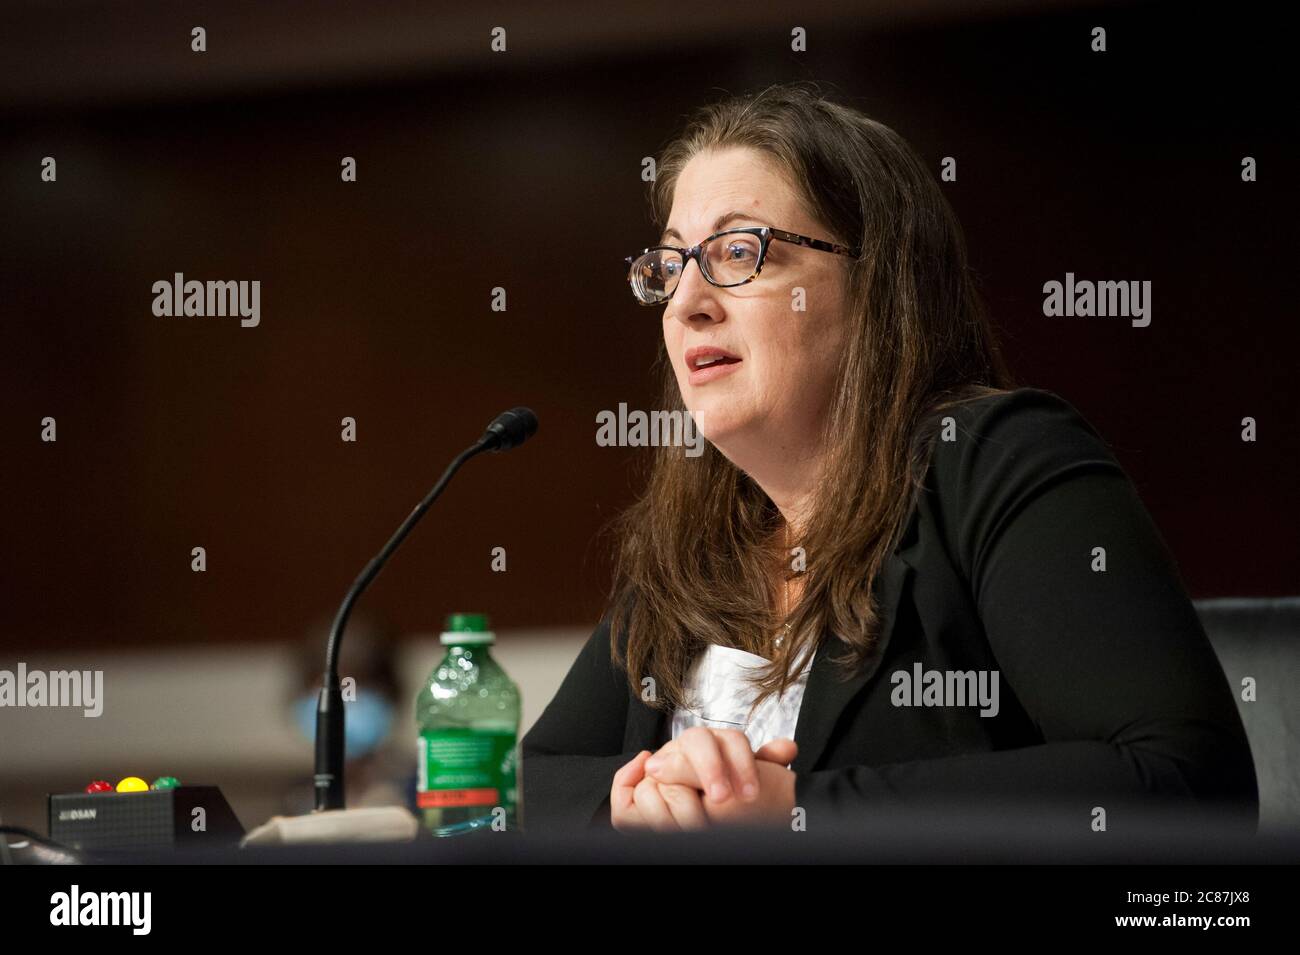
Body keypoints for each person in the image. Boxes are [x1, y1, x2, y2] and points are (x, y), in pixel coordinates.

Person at [520, 82, 1257, 835]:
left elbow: (1184, 778)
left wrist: (797, 812)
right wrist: (636, 798)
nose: (686, 302)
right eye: (671, 265)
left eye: (739, 251)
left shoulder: (999, 460)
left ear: (874, 279)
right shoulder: (693, 540)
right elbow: (538, 781)